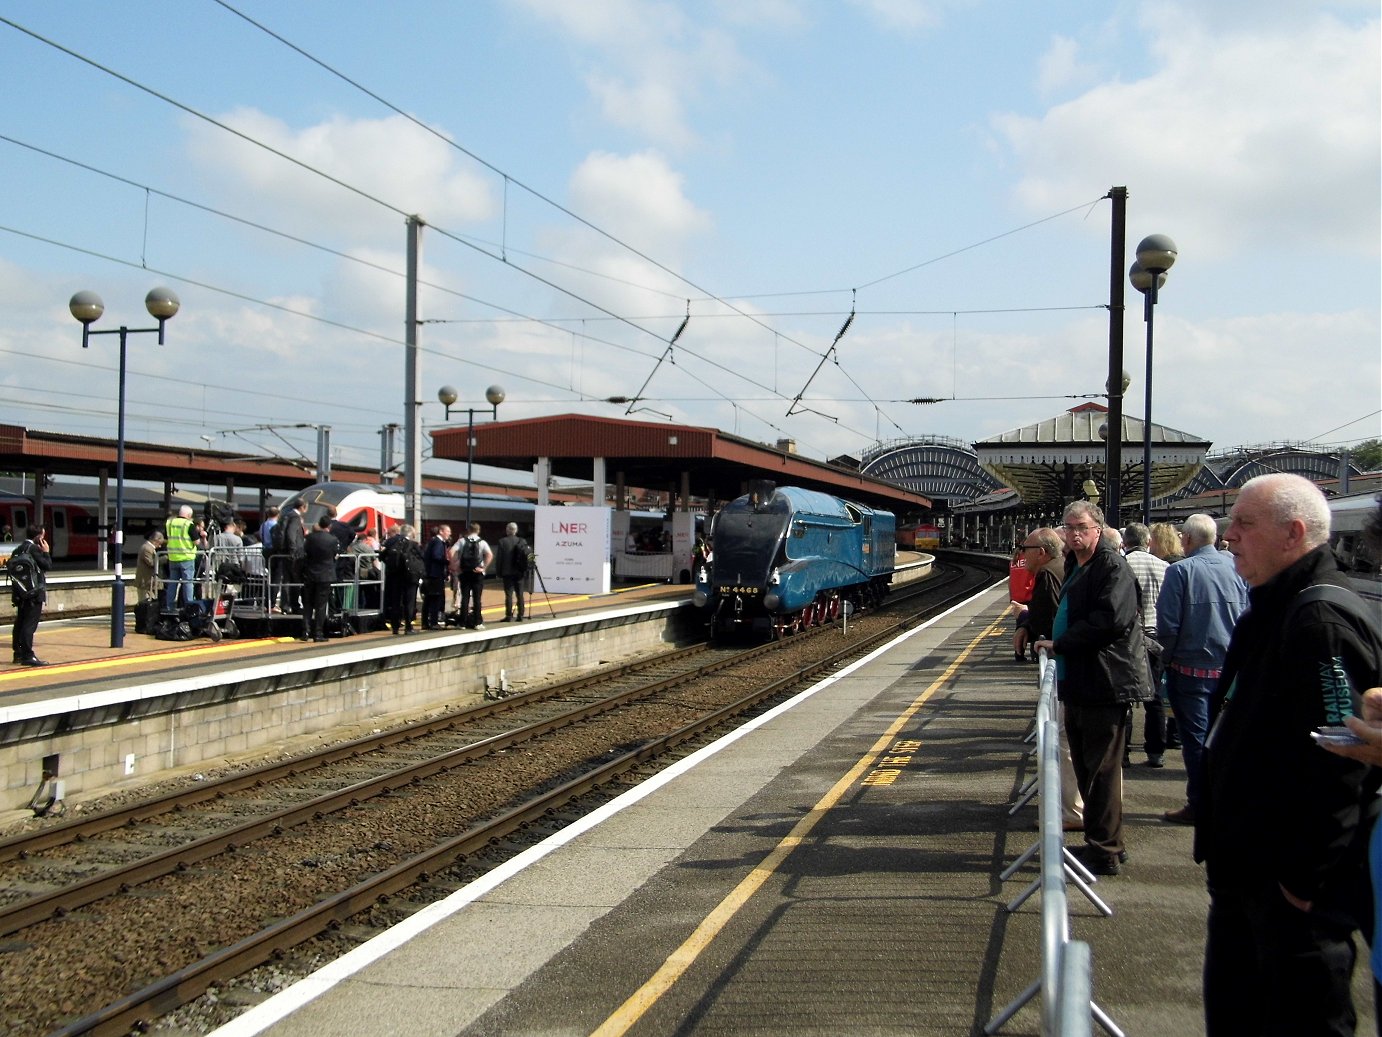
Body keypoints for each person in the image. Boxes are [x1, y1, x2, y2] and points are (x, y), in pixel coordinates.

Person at [1197, 473, 1382, 1036]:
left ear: (1293, 533)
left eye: (1245, 524)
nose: (1229, 536)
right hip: (1248, 876)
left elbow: (1343, 757)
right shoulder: (1276, 608)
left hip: (1287, 895)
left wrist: (1303, 883)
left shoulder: (1317, 622)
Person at [1032, 501, 1151, 876]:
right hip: (1081, 679)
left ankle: (1105, 851)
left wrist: (1061, 643)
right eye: (1068, 527)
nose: (1074, 534)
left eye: (1081, 527)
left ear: (1098, 529)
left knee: (1100, 771)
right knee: (1087, 768)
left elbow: (1110, 620)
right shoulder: (1075, 563)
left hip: (1105, 680)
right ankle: (1107, 840)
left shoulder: (1112, 566)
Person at [1156, 513, 1249, 825]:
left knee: (1195, 741)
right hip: (1231, 670)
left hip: (1190, 669)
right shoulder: (1237, 568)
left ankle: (1200, 805)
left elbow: (1167, 625)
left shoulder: (1180, 571)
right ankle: (1227, 801)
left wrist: (1164, 662)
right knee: (1227, 740)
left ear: (1188, 540)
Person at [1016, 526, 1083, 831]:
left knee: (1065, 742)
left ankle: (1072, 812)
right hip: (1071, 662)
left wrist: (1027, 624)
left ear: (1041, 553)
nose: (1022, 554)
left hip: (1066, 665)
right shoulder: (1061, 568)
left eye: (1025, 549)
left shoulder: (1047, 574)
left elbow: (1048, 615)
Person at [1122, 522, 1170, 768]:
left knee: (1125, 697)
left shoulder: (1122, 565)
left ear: (1125, 542)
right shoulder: (1165, 566)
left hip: (1131, 638)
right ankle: (1155, 752)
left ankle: (1124, 754)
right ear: (1148, 541)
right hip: (1157, 637)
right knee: (1154, 698)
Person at [9, 524, 51, 667]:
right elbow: (47, 566)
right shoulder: (34, 549)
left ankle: (18, 654)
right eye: (43, 535)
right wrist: (46, 552)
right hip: (34, 594)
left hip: (20, 593)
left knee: (20, 622)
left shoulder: (17, 550)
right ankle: (28, 655)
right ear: (39, 536)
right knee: (29, 625)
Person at [300, 515, 339, 643]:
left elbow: (305, 553)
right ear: (329, 526)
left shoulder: (310, 538)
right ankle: (318, 633)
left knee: (308, 604)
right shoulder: (332, 540)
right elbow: (334, 554)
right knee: (321, 606)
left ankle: (305, 631)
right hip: (325, 575)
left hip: (310, 574)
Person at [380, 523, 423, 635]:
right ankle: (408, 627)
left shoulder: (392, 542)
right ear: (411, 533)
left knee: (396, 601)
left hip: (394, 576)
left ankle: (395, 627)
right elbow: (421, 557)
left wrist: (392, 566)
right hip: (410, 578)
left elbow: (381, 556)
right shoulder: (413, 544)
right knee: (409, 601)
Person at [456, 522, 493, 630]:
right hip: (477, 573)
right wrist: (484, 568)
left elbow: (452, 552)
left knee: (465, 598)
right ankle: (478, 623)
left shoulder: (462, 541)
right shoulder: (482, 542)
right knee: (477, 598)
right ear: (478, 531)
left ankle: (462, 623)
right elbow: (489, 555)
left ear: (468, 530)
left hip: (465, 572)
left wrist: (456, 566)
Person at [494, 522, 531, 622]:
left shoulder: (502, 541)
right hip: (519, 572)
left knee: (509, 594)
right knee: (520, 594)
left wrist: (498, 572)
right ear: (516, 531)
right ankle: (521, 615)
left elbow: (499, 559)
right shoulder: (522, 541)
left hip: (507, 573)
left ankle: (509, 616)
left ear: (507, 530)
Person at [164, 505, 198, 611]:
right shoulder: (189, 524)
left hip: (173, 558)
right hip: (187, 558)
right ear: (188, 515)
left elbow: (166, 538)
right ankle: (189, 607)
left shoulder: (169, 523)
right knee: (188, 584)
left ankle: (169, 606)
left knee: (172, 584)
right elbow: (196, 541)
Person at [421, 524, 451, 630]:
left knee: (428, 599)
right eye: (448, 531)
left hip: (430, 574)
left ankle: (425, 622)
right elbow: (436, 556)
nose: (449, 534)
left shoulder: (433, 541)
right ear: (441, 531)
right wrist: (447, 562)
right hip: (435, 575)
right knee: (435, 598)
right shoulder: (438, 542)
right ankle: (433, 622)